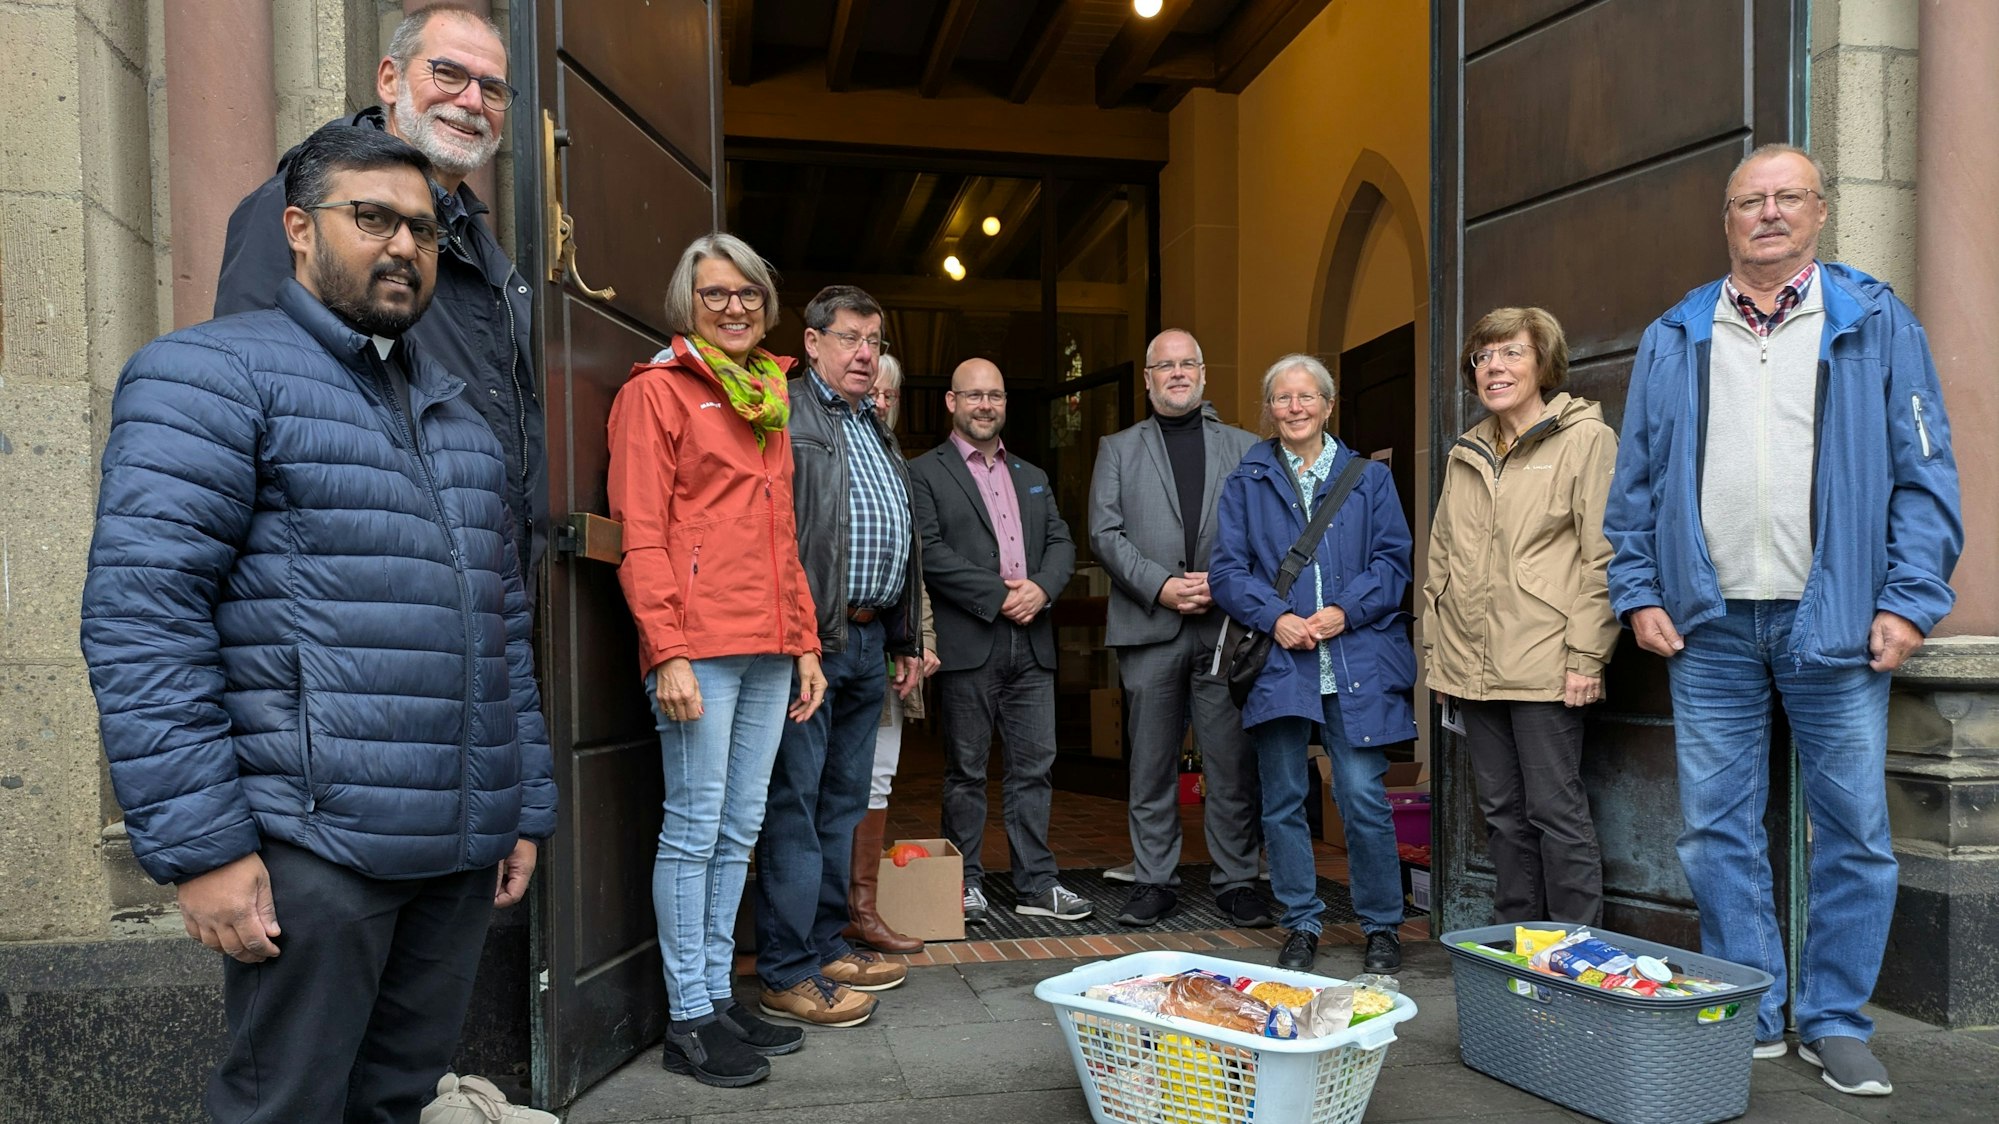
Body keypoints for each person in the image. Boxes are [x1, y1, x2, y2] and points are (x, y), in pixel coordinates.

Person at [80, 126, 556, 1124]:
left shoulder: (459, 415)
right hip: (312, 846)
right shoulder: (206, 375)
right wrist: (203, 846)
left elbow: (501, 626)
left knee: (392, 1100)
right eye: (372, 217)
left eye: (423, 229)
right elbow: (144, 620)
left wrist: (521, 806)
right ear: (298, 229)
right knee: (282, 1106)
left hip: (454, 844)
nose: (403, 247)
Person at [1604, 143, 1961, 1096]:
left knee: (1851, 830)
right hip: (1709, 622)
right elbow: (1633, 482)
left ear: (1819, 212)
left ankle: (1836, 1020)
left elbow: (1925, 475)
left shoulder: (1877, 322)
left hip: (1834, 618)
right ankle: (1751, 1009)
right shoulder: (1674, 334)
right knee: (1714, 830)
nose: (1767, 212)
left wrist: (1909, 600)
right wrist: (1638, 590)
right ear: (1726, 219)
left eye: (1786, 197)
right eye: (1748, 200)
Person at [216, 3, 547, 594]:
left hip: (463, 586)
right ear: (390, 80)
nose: (471, 101)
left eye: (492, 88)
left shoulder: (477, 243)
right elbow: (245, 394)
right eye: (448, 74)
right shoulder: (299, 207)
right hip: (346, 584)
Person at [606, 232, 828, 1087]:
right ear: (686, 306)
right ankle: (687, 1019)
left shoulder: (769, 392)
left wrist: (805, 642)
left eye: (747, 295)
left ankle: (715, 997)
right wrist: (666, 652)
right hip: (700, 647)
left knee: (738, 832)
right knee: (695, 830)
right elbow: (643, 535)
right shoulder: (656, 392)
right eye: (715, 295)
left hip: (771, 645)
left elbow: (785, 538)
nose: (733, 308)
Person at [753, 286, 928, 1029]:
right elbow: (774, 531)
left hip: (865, 642)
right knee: (795, 805)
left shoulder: (874, 425)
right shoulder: (786, 411)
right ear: (813, 341)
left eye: (874, 340)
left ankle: (825, 947)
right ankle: (785, 969)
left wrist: (904, 638)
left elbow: (898, 532)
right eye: (850, 338)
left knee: (841, 805)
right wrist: (798, 638)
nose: (864, 353)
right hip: (811, 642)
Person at [1210, 355, 1417, 974]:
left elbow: (1392, 564)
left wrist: (1343, 613)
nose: (1294, 408)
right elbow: (1227, 570)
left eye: (1307, 397)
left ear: (1329, 405)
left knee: (1361, 796)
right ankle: (1301, 921)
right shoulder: (1246, 479)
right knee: (1282, 799)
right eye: (1281, 399)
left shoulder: (1368, 479)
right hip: (1281, 662)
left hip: (1354, 658)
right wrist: (1275, 616)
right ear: (1268, 411)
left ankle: (1382, 925)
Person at [1422, 308, 1619, 927]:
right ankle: (1517, 949)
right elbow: (1441, 559)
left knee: (1555, 813)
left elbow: (1604, 556)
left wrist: (1587, 657)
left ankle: (1575, 952)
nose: (1494, 367)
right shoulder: (1467, 451)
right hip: (1473, 666)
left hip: (1548, 662)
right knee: (1501, 814)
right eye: (1483, 357)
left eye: (1511, 353)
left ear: (1543, 364)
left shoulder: (1586, 439)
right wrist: (1439, 657)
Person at [1088, 329, 1272, 929]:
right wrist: (1162, 586)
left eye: (1186, 363)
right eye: (1163, 366)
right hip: (1149, 623)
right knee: (1150, 765)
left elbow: (1261, 533)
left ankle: (1238, 881)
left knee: (1230, 764)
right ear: (1147, 379)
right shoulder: (1117, 448)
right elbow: (1104, 534)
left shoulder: (1246, 447)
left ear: (1202, 373)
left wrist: (1225, 583)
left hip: (1225, 626)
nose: (1175, 373)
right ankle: (1153, 881)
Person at [908, 359, 1095, 925]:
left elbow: (1062, 541)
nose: (985, 405)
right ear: (952, 402)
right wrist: (999, 594)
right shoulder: (924, 472)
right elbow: (930, 551)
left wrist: (1040, 589)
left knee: (1034, 767)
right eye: (974, 396)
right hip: (973, 640)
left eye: (995, 396)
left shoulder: (1031, 473)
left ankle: (1036, 884)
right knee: (966, 769)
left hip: (1032, 643)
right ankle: (964, 882)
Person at [845, 354, 942, 956]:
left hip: (889, 646)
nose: (880, 403)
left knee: (878, 778)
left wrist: (922, 639)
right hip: (834, 643)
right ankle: (827, 919)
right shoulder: (829, 450)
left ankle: (862, 910)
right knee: (828, 784)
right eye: (872, 391)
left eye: (891, 395)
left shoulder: (896, 463)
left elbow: (913, 572)